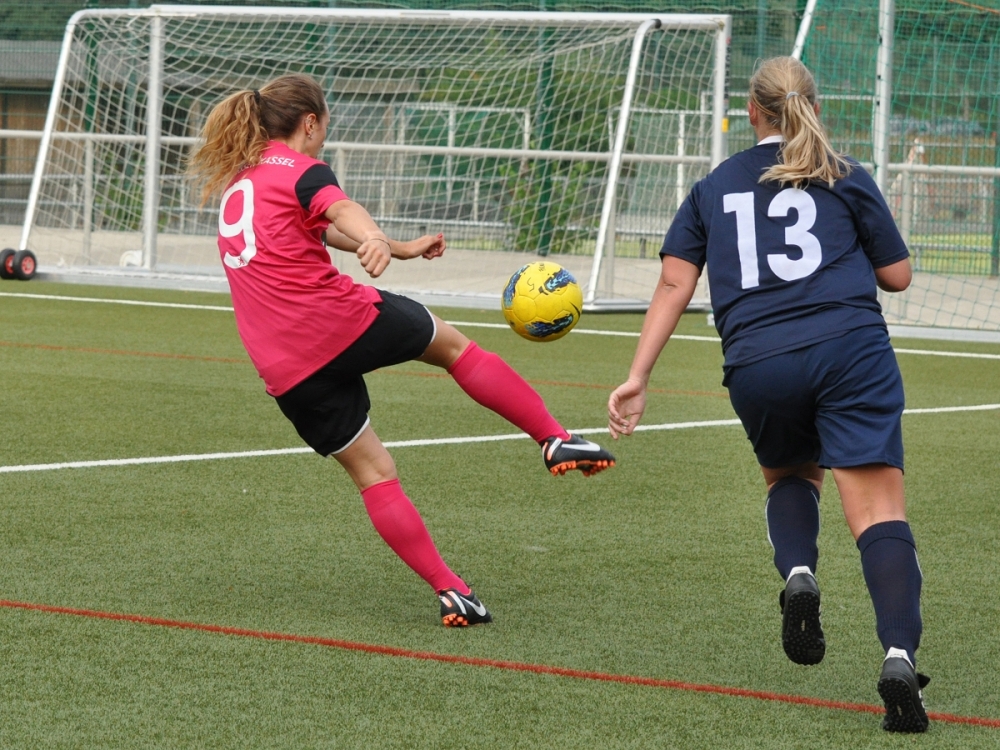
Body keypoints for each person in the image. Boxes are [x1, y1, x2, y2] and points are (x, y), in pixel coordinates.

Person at [188, 73, 615, 629]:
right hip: (337, 321)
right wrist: (370, 236)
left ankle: (453, 593)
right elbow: (342, 210)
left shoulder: (242, 182)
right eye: (325, 125)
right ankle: (554, 438)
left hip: (284, 367)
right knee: (454, 349)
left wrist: (400, 247)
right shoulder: (302, 170)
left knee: (375, 474)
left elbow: (320, 228)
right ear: (310, 122)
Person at [607, 57, 928, 733]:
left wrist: (638, 375)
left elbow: (674, 285)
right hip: (850, 350)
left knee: (790, 476)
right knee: (878, 511)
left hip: (758, 360)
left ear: (751, 111)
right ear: (816, 107)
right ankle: (899, 656)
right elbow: (897, 276)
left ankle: (800, 573)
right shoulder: (844, 174)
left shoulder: (712, 187)